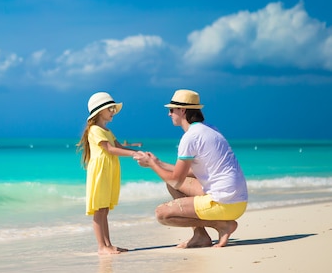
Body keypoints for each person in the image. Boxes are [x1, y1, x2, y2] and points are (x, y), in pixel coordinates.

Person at [134, 89, 248, 248]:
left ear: (182, 110)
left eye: (171, 110)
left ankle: (222, 225)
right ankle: (200, 236)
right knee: (173, 185)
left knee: (162, 214)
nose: (169, 114)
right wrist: (157, 162)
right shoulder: (210, 129)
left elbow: (176, 179)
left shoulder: (190, 137)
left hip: (224, 204)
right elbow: (193, 172)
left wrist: (151, 165)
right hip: (238, 201)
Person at [77, 92, 139, 255]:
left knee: (104, 209)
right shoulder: (95, 129)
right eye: (110, 108)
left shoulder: (107, 131)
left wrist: (138, 152)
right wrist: (133, 154)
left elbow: (119, 146)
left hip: (108, 170)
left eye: (113, 108)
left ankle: (108, 245)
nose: (113, 111)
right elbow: (110, 149)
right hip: (100, 172)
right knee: (99, 209)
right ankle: (101, 246)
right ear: (99, 111)